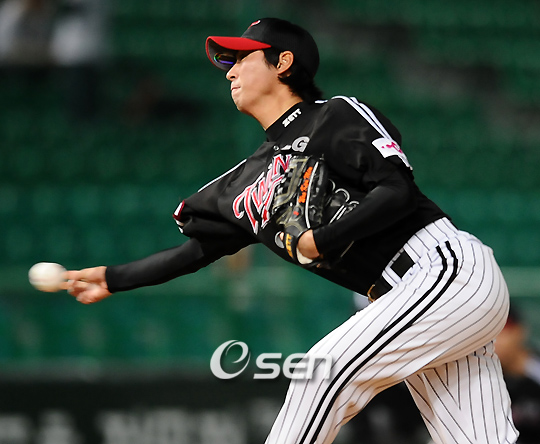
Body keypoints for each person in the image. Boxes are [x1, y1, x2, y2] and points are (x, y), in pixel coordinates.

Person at [63, 18, 519, 444]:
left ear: (282, 62)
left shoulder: (334, 115)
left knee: (321, 373)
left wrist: (323, 239)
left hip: (442, 270)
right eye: (228, 63)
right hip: (409, 300)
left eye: (242, 58)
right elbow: (197, 252)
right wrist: (113, 278)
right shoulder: (244, 182)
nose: (229, 71)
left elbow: (397, 189)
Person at [494, 306, 540, 444]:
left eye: (501, 332)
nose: (495, 341)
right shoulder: (484, 380)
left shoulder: (535, 369)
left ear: (519, 331)